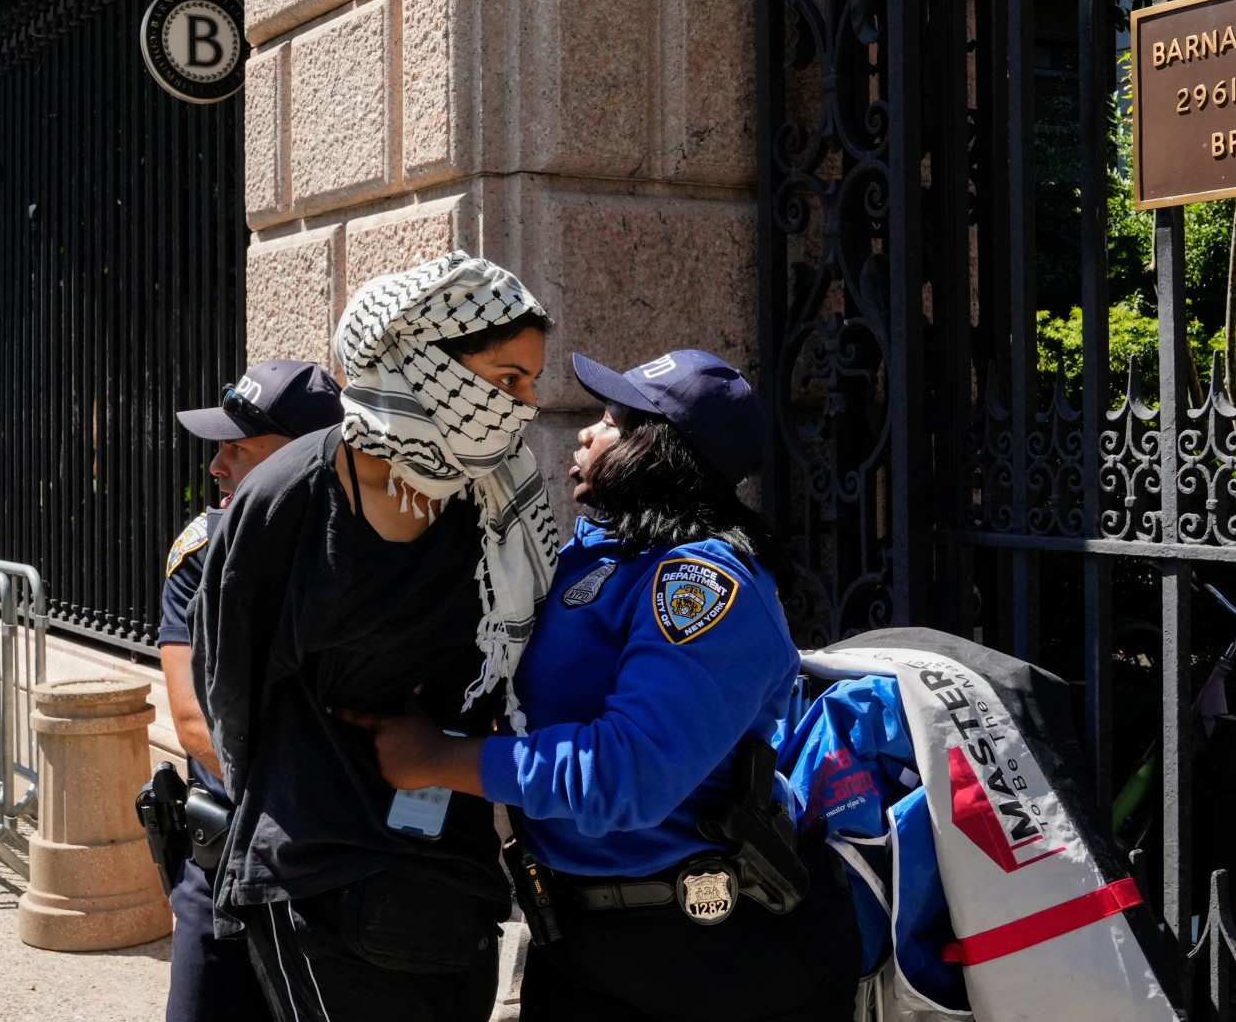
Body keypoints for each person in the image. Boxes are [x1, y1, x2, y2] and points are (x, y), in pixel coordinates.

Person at [346, 349, 861, 1022]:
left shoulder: (701, 583)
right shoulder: (602, 554)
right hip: (581, 939)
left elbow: (629, 775)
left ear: (661, 451)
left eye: (613, 420)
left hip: (707, 959)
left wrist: (440, 762)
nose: (587, 431)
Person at [192, 252, 560, 1022]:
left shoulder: (496, 502)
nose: (524, 408)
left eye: (531, 382)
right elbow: (228, 679)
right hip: (316, 870)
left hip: (450, 874)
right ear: (428, 362)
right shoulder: (288, 496)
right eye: (506, 380)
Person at [159, 359, 344, 1022]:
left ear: (301, 459)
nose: (217, 466)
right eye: (220, 447)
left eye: (239, 448)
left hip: (340, 870)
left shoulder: (361, 554)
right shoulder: (203, 552)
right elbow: (190, 721)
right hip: (227, 864)